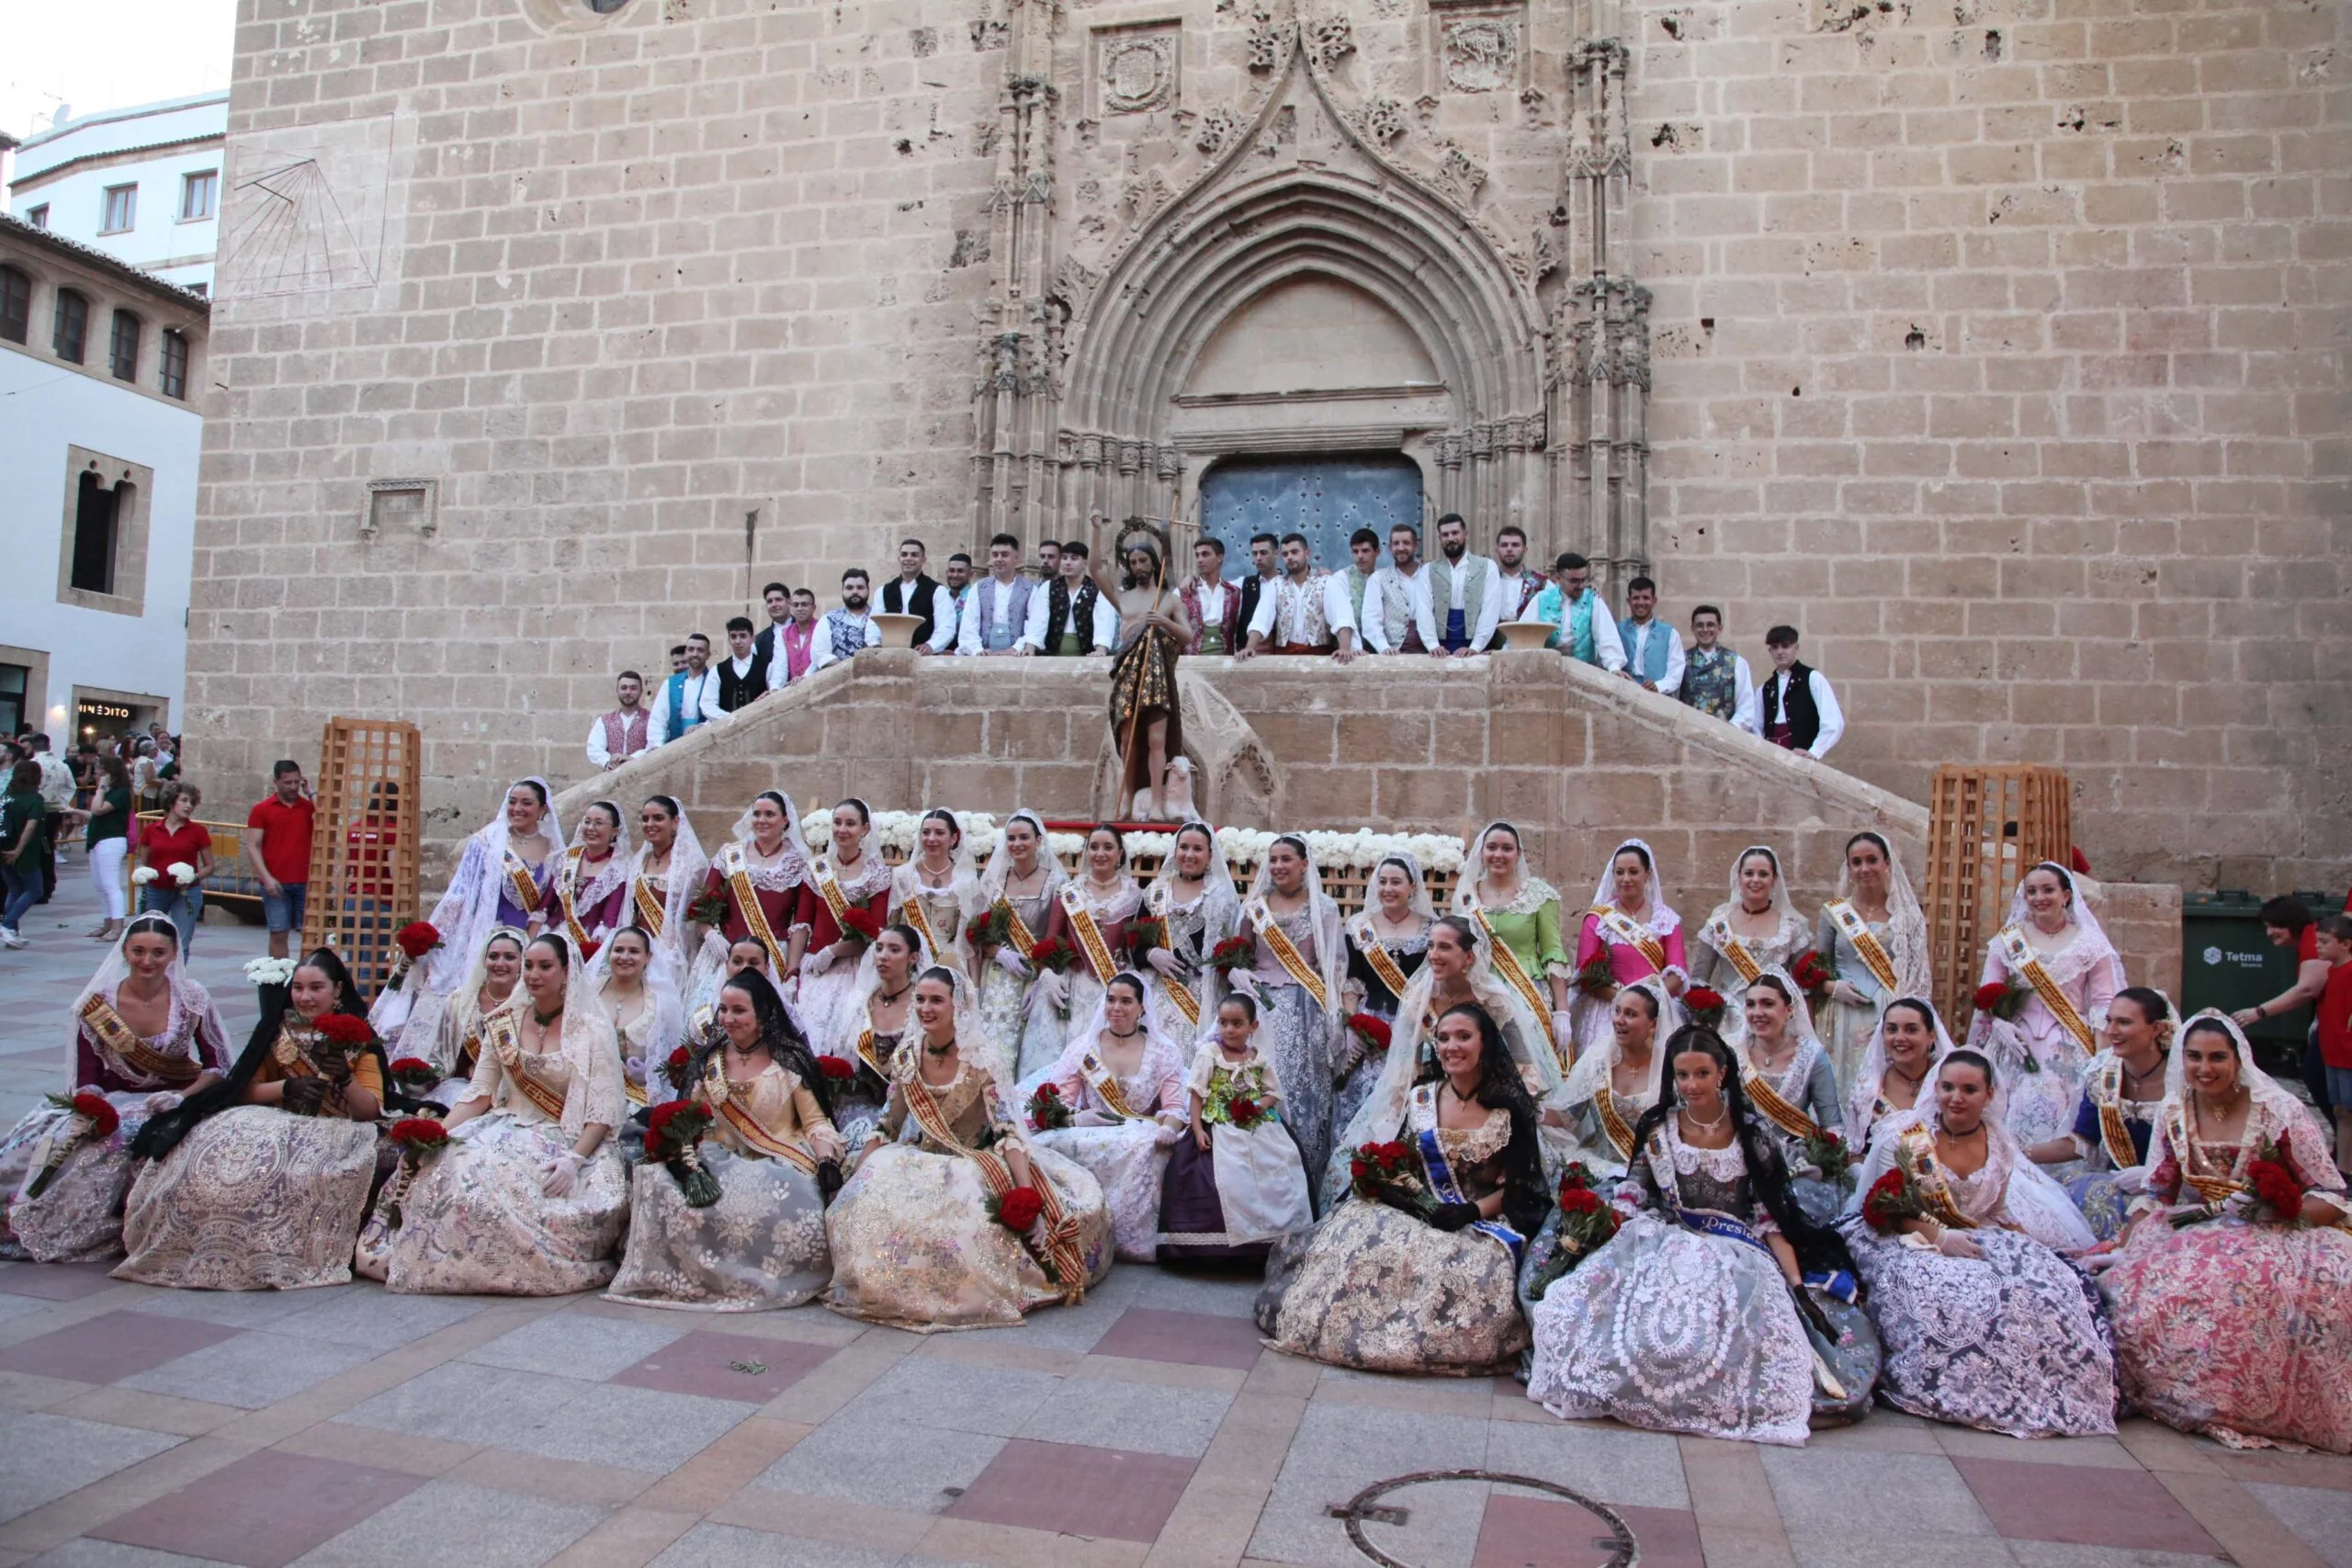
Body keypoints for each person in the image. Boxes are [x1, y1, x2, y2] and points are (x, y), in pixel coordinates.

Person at [1526, 1025, 1866, 1444]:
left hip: (1735, 1252)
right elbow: (1634, 1192)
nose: (1690, 1085)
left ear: (1722, 1073)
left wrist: (1795, 1284)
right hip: (1666, 1238)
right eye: (1682, 1075)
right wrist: (1601, 1243)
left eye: (1701, 1074)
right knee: (1615, 1326)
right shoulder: (1658, 1128)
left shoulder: (1752, 1134)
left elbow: (1768, 1216)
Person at [2096, 1011, 2352, 1453]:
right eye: (2194, 1057)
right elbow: (2159, 1193)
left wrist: (2276, 1213)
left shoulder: (2279, 1111)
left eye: (2217, 1057)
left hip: (2282, 1233)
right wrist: (2129, 1241)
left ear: (2239, 1060)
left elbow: (2329, 1193)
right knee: (2132, 1298)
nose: (2205, 1068)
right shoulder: (2175, 1111)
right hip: (2198, 1230)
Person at [1256, 1002, 1547, 1372]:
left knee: (1450, 1273)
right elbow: (1412, 1161)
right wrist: (1394, 1187)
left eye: (1463, 1037)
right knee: (1361, 1250)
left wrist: (1471, 1211)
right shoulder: (1423, 1096)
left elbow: (1522, 1188)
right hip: (1422, 1206)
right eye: (1443, 1038)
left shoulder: (1508, 1108)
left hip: (1479, 1216)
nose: (1451, 1046)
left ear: (1485, 1044)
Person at [1838, 1050, 2114, 1438]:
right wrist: (1940, 1236)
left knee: (2039, 1292)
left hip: (1977, 1233)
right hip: (1905, 1239)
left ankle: (2029, 1386)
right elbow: (1884, 1209)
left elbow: (1996, 1209)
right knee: (1956, 1296)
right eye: (1948, 1087)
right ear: (1936, 1089)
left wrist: (2029, 1247)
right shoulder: (1905, 1137)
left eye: (1969, 1089)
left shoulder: (1999, 1142)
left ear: (1989, 1095)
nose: (1957, 1098)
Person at [826, 965, 1113, 1328]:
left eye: (936, 1000)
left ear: (957, 1006)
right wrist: (858, 1178)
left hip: (974, 1163)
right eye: (920, 1000)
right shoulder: (907, 1056)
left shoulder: (982, 1060)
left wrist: (1027, 1198)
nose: (926, 1008)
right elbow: (887, 1124)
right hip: (919, 1158)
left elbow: (1008, 1132)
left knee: (964, 1230)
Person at [115, 949, 384, 1290]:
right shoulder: (275, 1030)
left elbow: (370, 1111)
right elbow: (243, 1089)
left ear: (337, 991)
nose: (305, 997)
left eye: (317, 988)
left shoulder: (358, 1037)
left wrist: (345, 1079)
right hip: (274, 1123)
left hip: (338, 1132)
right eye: (298, 988)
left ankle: (277, 1256)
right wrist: (286, 1087)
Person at [382, 933, 628, 1295]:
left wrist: (574, 1159)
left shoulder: (590, 1029)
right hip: (506, 1124)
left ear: (566, 973)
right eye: (528, 965)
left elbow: (603, 1109)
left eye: (545, 966)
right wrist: (436, 1133)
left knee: (506, 1186)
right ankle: (451, 1260)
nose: (533, 974)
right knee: (452, 1162)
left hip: (568, 1139)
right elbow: (479, 1093)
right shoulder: (502, 1023)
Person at [606, 968, 845, 1312]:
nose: (728, 1019)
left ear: (762, 1014)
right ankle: (693, 1280)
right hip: (717, 1155)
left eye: (738, 1010)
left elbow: (816, 1123)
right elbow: (693, 1117)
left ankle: (763, 1282)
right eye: (723, 1009)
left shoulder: (790, 1062)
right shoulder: (710, 1062)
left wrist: (825, 1160)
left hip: (777, 1157)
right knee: (668, 1189)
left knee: (784, 1204)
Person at [0, 917, 232, 1259]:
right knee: (53, 1139)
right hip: (114, 1100)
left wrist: (180, 1096)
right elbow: (87, 1076)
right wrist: (91, 1108)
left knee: (125, 1141)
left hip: (176, 1100)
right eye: (138, 951)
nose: (147, 961)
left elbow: (219, 1065)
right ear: (124, 951)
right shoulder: (97, 1004)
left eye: (158, 952)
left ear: (173, 955)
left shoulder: (191, 996)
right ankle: (25, 1215)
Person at [1334, 913, 1558, 1202]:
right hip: (1435, 1093)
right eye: (1430, 946)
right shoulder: (1421, 997)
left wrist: (1513, 1107)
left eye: (1444, 947)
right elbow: (1409, 1062)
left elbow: (1523, 1063)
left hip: (1488, 1094)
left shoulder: (1493, 999)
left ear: (1468, 957)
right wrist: (1401, 1105)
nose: (1433, 955)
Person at [371, 778, 566, 1055]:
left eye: (526, 803)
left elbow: (553, 903)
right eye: (512, 801)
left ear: (543, 809)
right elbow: (460, 893)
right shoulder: (486, 842)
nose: (517, 808)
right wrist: (434, 934)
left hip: (531, 940)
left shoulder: (555, 850)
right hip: (487, 937)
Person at [1022, 971, 1187, 1261]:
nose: (1116, 1008)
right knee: (1044, 1145)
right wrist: (1079, 1117)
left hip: (1140, 1131)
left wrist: (1170, 1128)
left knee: (1149, 1146)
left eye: (1126, 1001)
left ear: (1142, 1007)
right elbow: (1061, 1103)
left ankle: (1129, 1241)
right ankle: (1071, 1227)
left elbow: (1174, 1108)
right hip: (1092, 1127)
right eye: (1111, 1000)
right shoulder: (1085, 1048)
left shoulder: (1163, 1051)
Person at [1966, 862, 2121, 1146]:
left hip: (2069, 1043)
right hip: (2015, 1042)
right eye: (2031, 891)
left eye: (2048, 890)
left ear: (2066, 895)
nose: (2039, 898)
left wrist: (2102, 1058)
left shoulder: (2090, 943)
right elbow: (1988, 991)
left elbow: (2104, 1002)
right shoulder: (2009, 941)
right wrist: (1998, 1023)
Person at [1232, 834, 1349, 1203]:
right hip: (1260, 1008)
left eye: (1287, 859)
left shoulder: (1324, 907)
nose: (1279, 866)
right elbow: (1239, 954)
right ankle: (1257, 1193)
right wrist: (1237, 973)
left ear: (1304, 864)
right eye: (1274, 859)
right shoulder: (1255, 906)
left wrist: (1337, 1018)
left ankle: (1303, 1192)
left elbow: (1336, 966)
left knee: (1301, 1097)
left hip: (1305, 1009)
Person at [1159, 992, 1313, 1262]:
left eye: (1237, 1023)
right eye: (1224, 1022)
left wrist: (1257, 1106)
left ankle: (1276, 1239)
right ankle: (1225, 1248)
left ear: (1253, 1026)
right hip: (1219, 1124)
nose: (1229, 1029)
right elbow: (1196, 1095)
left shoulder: (1258, 1057)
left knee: (1282, 1163)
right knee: (1230, 1175)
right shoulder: (1210, 1054)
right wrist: (1197, 1130)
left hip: (1257, 1123)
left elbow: (1272, 1093)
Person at [2024, 986, 2176, 1239]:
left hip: (2171, 1191)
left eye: (2124, 1022)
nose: (2111, 1031)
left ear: (2157, 1028)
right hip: (2115, 1183)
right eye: (2109, 1020)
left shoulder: (2182, 1080)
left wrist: (2154, 1177)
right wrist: (2015, 1154)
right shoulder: (2103, 1075)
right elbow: (2079, 1143)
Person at [1814, 830, 1933, 1089]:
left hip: (1890, 1016)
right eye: (1856, 862)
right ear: (1849, 868)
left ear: (1887, 863)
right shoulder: (1833, 913)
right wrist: (1833, 988)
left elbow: (1919, 978)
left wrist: (1899, 1022)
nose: (1864, 868)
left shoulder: (1908, 918)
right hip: (1841, 1014)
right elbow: (1816, 973)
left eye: (1872, 860)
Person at [1089, 521, 1192, 818]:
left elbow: (1187, 636)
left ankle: (1158, 802)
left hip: (1156, 672)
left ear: (1153, 562)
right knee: (1126, 739)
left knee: (1156, 739)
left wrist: (1165, 623)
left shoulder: (1168, 599)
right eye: (1133, 562)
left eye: (1143, 560)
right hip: (1128, 670)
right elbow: (1095, 571)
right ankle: (1128, 797)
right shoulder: (1123, 597)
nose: (1138, 566)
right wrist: (1096, 530)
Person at [1453, 822, 1575, 1068]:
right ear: (1482, 852)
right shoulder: (1466, 896)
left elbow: (1553, 953)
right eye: (1492, 847)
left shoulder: (1540, 895)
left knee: (1526, 1068)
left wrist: (1562, 1012)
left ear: (1518, 854)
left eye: (1507, 848)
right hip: (1478, 992)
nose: (1498, 855)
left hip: (1524, 991)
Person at [1732, 970, 1849, 1224]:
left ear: (1789, 1010)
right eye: (1750, 1004)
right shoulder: (1733, 1053)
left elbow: (1833, 1126)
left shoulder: (1812, 1056)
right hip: (1739, 1160)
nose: (1757, 1012)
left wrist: (1819, 1161)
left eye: (1768, 1004)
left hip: (1795, 1165)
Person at [1027, 823, 1143, 1076]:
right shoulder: (1069, 893)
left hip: (1112, 990)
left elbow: (1138, 948)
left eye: (1108, 847)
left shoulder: (1135, 896)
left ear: (1120, 854)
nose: (1100, 853)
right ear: (1086, 853)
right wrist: (1047, 975)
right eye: (1094, 847)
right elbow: (1049, 943)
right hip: (1071, 987)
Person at [971, 808, 1071, 1089]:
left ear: (1039, 841)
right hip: (997, 975)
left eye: (1024, 837)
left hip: (1036, 973)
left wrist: (1041, 978)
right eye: (1011, 838)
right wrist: (997, 952)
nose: (1017, 844)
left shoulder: (1056, 882)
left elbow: (1054, 937)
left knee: (1028, 1047)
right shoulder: (995, 881)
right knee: (995, 1045)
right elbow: (977, 932)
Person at [1339, 854, 1435, 1136]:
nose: (1388, 889)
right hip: (1370, 1024)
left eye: (1396, 882)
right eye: (1382, 882)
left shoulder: (1429, 928)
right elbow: (1351, 983)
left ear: (1413, 887)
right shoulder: (1360, 926)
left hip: (1414, 1025)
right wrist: (1352, 1025)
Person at [1568, 838, 1691, 1055]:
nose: (1626, 878)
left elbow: (1677, 973)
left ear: (1648, 874)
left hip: (1655, 1011)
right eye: (1620, 872)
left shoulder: (1666, 919)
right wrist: (1623, 999)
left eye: (1633, 872)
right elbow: (1587, 975)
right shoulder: (1598, 920)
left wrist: (1647, 1001)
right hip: (1609, 1011)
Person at [788, 796, 895, 1042]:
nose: (842, 830)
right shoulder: (816, 869)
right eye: (837, 823)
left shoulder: (876, 873)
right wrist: (792, 973)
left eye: (850, 823)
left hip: (856, 967)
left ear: (864, 829)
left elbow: (876, 933)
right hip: (815, 965)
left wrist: (834, 951)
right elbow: (802, 923)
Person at [2233, 893, 2341, 1134]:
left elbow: (2308, 988)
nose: (2270, 933)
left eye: (2274, 926)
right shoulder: (2309, 940)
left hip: (2337, 1026)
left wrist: (2259, 1012)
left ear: (2290, 922)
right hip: (2329, 1022)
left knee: (2321, 1080)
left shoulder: (2314, 939)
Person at [692, 790, 810, 997]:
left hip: (772, 957)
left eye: (769, 814)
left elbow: (801, 923)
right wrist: (711, 936)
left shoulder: (798, 862)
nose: (761, 820)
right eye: (757, 814)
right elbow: (703, 908)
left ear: (785, 820)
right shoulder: (730, 855)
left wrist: (791, 972)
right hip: (727, 953)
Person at [820, 922, 928, 1145]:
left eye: (894, 950)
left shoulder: (923, 1007)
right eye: (879, 948)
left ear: (913, 958)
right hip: (853, 1107)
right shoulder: (858, 1004)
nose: (883, 956)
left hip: (904, 1111)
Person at [1556, 979, 1680, 1174]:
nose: (1619, 1020)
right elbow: (1567, 1117)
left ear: (1654, 1025)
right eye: (1618, 1011)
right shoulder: (1598, 1062)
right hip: (1595, 1168)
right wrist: (1528, 1107)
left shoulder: (1672, 1071)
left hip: (1648, 1175)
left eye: (1630, 1014)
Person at [1139, 819, 1241, 1045]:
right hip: (1156, 989)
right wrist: (1149, 953)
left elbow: (1230, 951)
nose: (1189, 854)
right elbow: (1134, 941)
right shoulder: (1156, 891)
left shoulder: (1221, 896)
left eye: (1198, 849)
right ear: (1174, 851)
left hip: (1201, 997)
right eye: (1184, 847)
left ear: (1210, 855)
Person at [1691, 845, 1812, 1035]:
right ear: (1738, 878)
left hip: (1775, 1022)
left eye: (1763, 874)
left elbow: (1805, 987)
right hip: (1727, 1022)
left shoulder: (1791, 927)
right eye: (1749, 873)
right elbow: (1698, 981)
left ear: (1774, 880)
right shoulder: (1718, 925)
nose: (1755, 880)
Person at [422, 929, 526, 1111]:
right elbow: (440, 1055)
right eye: (493, 956)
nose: (500, 963)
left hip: (517, 1091)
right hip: (467, 1086)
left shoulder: (530, 1003)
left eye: (509, 957)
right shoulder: (459, 1001)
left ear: (522, 962)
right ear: (484, 960)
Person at [591, 923, 687, 1110]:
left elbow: (671, 1065)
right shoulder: (588, 991)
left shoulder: (662, 1004)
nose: (625, 957)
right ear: (608, 953)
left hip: (634, 1101)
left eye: (634, 951)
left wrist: (648, 1074)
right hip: (583, 1087)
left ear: (648, 957)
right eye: (618, 950)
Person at [1843, 996, 1951, 1156]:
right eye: (1892, 1030)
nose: (1900, 1038)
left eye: (1911, 1029)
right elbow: (1856, 1151)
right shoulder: (1870, 1088)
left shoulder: (1951, 1081)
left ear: (1931, 1036)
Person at [889, 807, 984, 979]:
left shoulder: (967, 882)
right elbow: (891, 925)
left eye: (939, 833)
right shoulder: (902, 875)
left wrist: (974, 985)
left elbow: (969, 942)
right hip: (905, 965)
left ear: (953, 838)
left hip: (948, 967)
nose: (931, 839)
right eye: (926, 833)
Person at [1237, 534, 1361, 662]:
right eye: (1285, 554)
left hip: (1320, 657)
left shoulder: (1326, 582)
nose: (1289, 557)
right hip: (1284, 657)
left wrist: (1345, 649)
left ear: (1307, 553)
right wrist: (1249, 647)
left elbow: (1342, 617)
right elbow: (1261, 619)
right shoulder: (1276, 584)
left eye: (1294, 552)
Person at [243, 761, 315, 960]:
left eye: (297, 782)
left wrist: (312, 793)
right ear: (276, 782)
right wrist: (266, 877)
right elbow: (252, 845)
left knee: (310, 934)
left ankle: (307, 977)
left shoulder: (308, 807)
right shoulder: (262, 809)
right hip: (277, 879)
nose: (293, 787)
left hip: (306, 880)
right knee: (278, 932)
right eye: (288, 782)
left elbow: (328, 821)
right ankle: (280, 976)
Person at [625, 794, 709, 963]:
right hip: (637, 951)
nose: (650, 824)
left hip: (672, 956)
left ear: (675, 822)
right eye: (645, 819)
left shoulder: (692, 865)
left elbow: (695, 919)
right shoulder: (638, 861)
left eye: (658, 818)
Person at [134, 783, 214, 954]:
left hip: (186, 894)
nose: (189, 806)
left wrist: (194, 878)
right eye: (184, 800)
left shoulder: (198, 831)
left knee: (181, 943)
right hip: (156, 891)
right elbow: (145, 861)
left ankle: (177, 980)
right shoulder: (151, 830)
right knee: (151, 938)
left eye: (192, 802)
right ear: (171, 802)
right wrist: (143, 876)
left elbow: (210, 866)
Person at [1750, 626, 1844, 758]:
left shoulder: (1813, 678)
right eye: (1775, 647)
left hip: (1803, 758)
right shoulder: (1764, 689)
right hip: (1771, 757)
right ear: (1770, 651)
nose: (1780, 651)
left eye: (1785, 646)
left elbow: (1833, 721)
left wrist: (1815, 751)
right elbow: (1755, 727)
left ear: (1796, 648)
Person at [552, 800, 632, 953]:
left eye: (598, 823)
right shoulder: (568, 859)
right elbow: (546, 908)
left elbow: (610, 918)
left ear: (615, 831)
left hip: (592, 944)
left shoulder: (619, 868)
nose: (590, 828)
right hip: (557, 940)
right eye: (587, 822)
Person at [1529, 553, 1627, 671]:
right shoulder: (1541, 599)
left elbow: (1606, 636)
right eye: (1574, 581)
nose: (1580, 586)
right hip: (1547, 670)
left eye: (1583, 580)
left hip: (1583, 671)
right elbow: (1523, 633)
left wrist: (1614, 667)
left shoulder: (1593, 599)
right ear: (1559, 578)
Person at [956, 534, 1050, 656]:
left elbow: (1037, 623)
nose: (999, 559)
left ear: (1016, 558)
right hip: (983, 657)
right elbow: (969, 623)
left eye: (1004, 555)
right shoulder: (979, 588)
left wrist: (1017, 648)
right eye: (995, 555)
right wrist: (977, 650)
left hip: (1016, 656)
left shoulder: (1030, 589)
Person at [79, 754, 134, 943]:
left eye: (99, 767)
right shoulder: (109, 791)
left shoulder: (121, 792)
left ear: (110, 771)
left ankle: (118, 926)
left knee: (111, 884)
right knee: (99, 885)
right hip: (97, 840)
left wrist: (101, 788)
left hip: (111, 841)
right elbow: (95, 812)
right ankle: (107, 923)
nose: (96, 771)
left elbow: (98, 810)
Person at [1427, 513, 1500, 656]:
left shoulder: (1487, 566)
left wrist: (1476, 647)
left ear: (1465, 534)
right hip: (1440, 649)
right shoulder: (1428, 570)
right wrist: (1433, 645)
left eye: (1455, 533)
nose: (1451, 539)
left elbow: (1490, 609)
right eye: (1445, 535)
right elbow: (1424, 609)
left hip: (1478, 645)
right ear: (1439, 538)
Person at [1360, 522, 1436, 656]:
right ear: (1390, 548)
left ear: (1416, 546)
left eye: (1406, 543)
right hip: (1393, 651)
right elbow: (1370, 620)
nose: (1401, 548)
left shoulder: (1430, 575)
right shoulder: (1378, 578)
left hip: (1430, 650)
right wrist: (1384, 648)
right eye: (1396, 544)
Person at [1679, 605, 1757, 728]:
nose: (1705, 629)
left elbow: (1746, 706)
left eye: (1710, 625)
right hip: (1689, 736)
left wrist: (1731, 729)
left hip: (1725, 738)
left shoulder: (1736, 662)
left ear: (1719, 628)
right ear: (1692, 629)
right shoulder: (1680, 661)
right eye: (1700, 625)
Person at [2317, 915, 2352, 1168]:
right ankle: (2343, 1168)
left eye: (2324, 941)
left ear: (2346, 944)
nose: (2317, 946)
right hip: (2333, 1051)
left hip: (2348, 1053)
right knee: (2341, 1110)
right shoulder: (2333, 970)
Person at [2, 759, 48, 948]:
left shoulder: (6, 796)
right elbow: (31, 826)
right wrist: (19, 850)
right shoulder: (34, 799)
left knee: (15, 888)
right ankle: (6, 924)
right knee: (35, 889)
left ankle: (12, 930)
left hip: (3, 844)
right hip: (23, 850)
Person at [1614, 576, 1684, 695]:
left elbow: (1676, 672)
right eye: (1636, 598)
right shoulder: (1617, 630)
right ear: (1628, 601)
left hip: (1658, 699)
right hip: (1623, 694)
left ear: (1654, 600)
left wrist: (1658, 686)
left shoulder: (1669, 633)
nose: (1641, 602)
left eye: (1646, 598)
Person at [1042, 540, 1114, 656]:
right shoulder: (1049, 587)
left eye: (1074, 558)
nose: (1068, 562)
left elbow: (1104, 619)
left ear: (1085, 562)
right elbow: (1039, 619)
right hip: (1052, 653)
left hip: (1086, 654)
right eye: (1064, 558)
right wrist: (1031, 646)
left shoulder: (1097, 588)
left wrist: (1101, 648)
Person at [30, 732, 75, 904]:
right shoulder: (60, 765)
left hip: (36, 812)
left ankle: (40, 887)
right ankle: (47, 884)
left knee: (37, 848)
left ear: (34, 748)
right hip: (54, 811)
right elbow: (71, 786)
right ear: (49, 747)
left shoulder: (32, 764)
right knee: (48, 847)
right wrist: (61, 803)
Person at [587, 671, 663, 770]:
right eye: (624, 688)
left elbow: (655, 746)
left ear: (641, 691)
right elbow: (594, 748)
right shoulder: (604, 721)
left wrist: (632, 758)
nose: (628, 692)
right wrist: (607, 761)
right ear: (617, 690)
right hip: (612, 778)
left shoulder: (652, 719)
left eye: (633, 688)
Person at [1180, 536, 1241, 656]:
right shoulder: (1184, 590)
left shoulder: (1235, 592)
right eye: (1197, 555)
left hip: (1225, 662)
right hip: (1191, 662)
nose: (1200, 560)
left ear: (1220, 557)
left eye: (1205, 554)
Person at [879, 538, 944, 649]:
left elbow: (945, 626)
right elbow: (874, 624)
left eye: (914, 555)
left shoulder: (938, 590)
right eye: (904, 555)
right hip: (890, 655)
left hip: (924, 658)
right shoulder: (883, 591)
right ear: (899, 559)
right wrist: (875, 644)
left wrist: (930, 646)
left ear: (923, 560)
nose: (908, 558)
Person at [812, 570, 881, 669]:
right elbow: (820, 654)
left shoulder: (879, 618)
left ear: (868, 590)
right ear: (842, 591)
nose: (855, 591)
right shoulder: (828, 619)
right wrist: (849, 670)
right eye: (849, 588)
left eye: (860, 587)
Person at [1488, 525, 1545, 640]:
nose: (1509, 549)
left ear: (1525, 549)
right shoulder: (1487, 579)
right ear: (1497, 549)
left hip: (1528, 640)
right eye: (1504, 545)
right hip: (1491, 642)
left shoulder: (1541, 582)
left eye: (1515, 545)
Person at [661, 632, 721, 738]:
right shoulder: (670, 683)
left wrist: (703, 726)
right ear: (686, 653)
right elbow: (659, 719)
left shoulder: (716, 680)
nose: (695, 654)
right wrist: (657, 743)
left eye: (700, 650)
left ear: (708, 655)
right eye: (691, 649)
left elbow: (719, 714)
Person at [716, 616, 775, 711]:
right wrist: (730, 719)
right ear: (729, 640)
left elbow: (774, 694)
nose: (738, 641)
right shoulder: (718, 670)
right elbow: (708, 703)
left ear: (752, 639)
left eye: (743, 636)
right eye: (733, 636)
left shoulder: (767, 667)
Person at [1235, 531, 1280, 642]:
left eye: (1263, 553)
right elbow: (1215, 585)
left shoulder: (1288, 583)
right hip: (1248, 653)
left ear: (1276, 553)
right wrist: (1191, 579)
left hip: (1280, 653)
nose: (1258, 558)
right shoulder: (1243, 584)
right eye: (1255, 553)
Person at [929, 552, 975, 654]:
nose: (955, 575)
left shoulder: (975, 597)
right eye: (951, 571)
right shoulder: (939, 596)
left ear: (971, 574)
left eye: (960, 571)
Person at [1340, 527, 1379, 630]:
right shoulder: (1342, 578)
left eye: (1365, 551)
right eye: (1355, 552)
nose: (1360, 556)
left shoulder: (1383, 578)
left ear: (1377, 552)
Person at [751, 581, 794, 668]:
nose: (774, 604)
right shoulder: (759, 641)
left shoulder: (807, 629)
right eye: (770, 601)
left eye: (778, 599)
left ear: (789, 601)